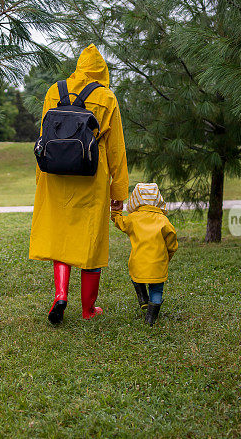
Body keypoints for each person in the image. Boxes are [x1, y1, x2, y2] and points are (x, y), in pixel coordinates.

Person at [29, 44, 129, 324]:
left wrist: (41, 180)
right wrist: (118, 191)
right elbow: (115, 149)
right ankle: (87, 310)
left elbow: (43, 137)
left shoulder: (54, 91)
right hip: (91, 176)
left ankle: (60, 295)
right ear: (102, 71)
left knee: (61, 238)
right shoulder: (106, 97)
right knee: (91, 243)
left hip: (55, 176)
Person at [111, 183, 178, 325]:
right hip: (158, 264)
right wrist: (167, 257)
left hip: (138, 263)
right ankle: (150, 318)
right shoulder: (164, 221)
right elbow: (172, 243)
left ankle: (142, 299)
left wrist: (116, 211)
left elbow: (119, 221)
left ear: (136, 199)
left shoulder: (134, 218)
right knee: (157, 289)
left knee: (135, 277)